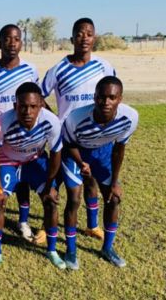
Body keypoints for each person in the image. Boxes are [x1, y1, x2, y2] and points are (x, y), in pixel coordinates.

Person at [41, 18, 116, 244]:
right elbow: (38, 94)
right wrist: (55, 118)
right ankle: (47, 226)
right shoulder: (58, 69)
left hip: (96, 137)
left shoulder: (105, 67)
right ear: (72, 38)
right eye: (80, 34)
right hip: (67, 139)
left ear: (94, 38)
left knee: (92, 182)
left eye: (89, 33)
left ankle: (92, 226)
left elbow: (113, 96)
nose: (85, 37)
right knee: (57, 183)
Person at [61, 76, 138, 269]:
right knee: (74, 200)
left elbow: (119, 149)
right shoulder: (75, 118)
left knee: (113, 198)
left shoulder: (130, 117)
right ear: (94, 97)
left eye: (112, 97)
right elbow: (68, 144)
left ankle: (107, 248)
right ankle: (71, 251)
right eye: (101, 97)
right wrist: (81, 163)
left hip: (103, 152)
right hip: (75, 153)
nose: (106, 102)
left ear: (120, 98)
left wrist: (115, 181)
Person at [0, 82, 65, 270]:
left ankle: (52, 250)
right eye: (23, 106)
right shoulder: (2, 121)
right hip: (8, 162)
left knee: (50, 201)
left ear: (41, 105)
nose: (28, 111)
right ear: (15, 106)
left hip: (34, 161)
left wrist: (50, 186)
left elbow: (55, 154)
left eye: (33, 106)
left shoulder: (51, 121)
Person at [0, 24, 39, 241]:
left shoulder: (30, 70)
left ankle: (23, 221)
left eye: (16, 39)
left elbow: (37, 101)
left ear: (21, 43)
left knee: (22, 181)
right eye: (7, 39)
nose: (12, 43)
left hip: (23, 137)